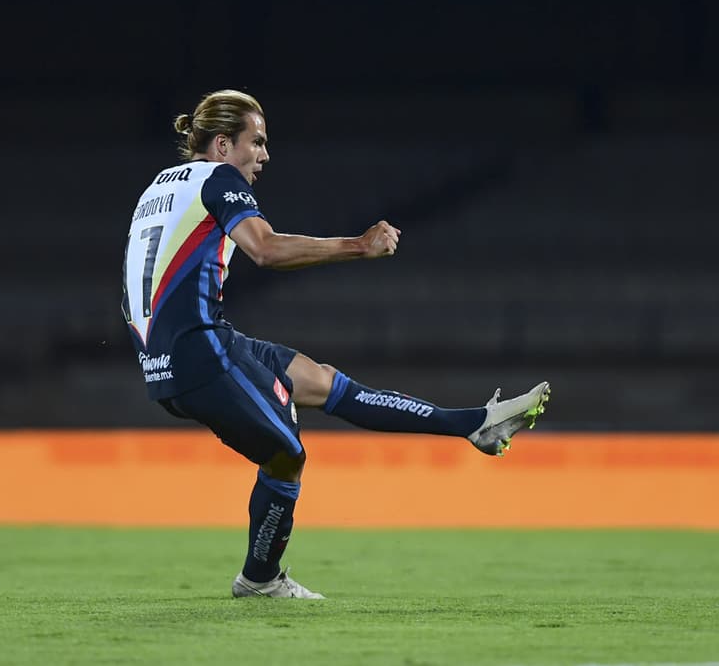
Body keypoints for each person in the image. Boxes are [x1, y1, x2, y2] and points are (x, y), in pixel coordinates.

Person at [121, 88, 550, 599]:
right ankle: (259, 580)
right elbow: (264, 248)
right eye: (255, 142)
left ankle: (474, 423)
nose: (263, 155)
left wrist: (156, 353)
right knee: (286, 455)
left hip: (170, 350)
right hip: (199, 350)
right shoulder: (220, 178)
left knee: (318, 379)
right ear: (221, 144)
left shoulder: (157, 188)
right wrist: (357, 246)